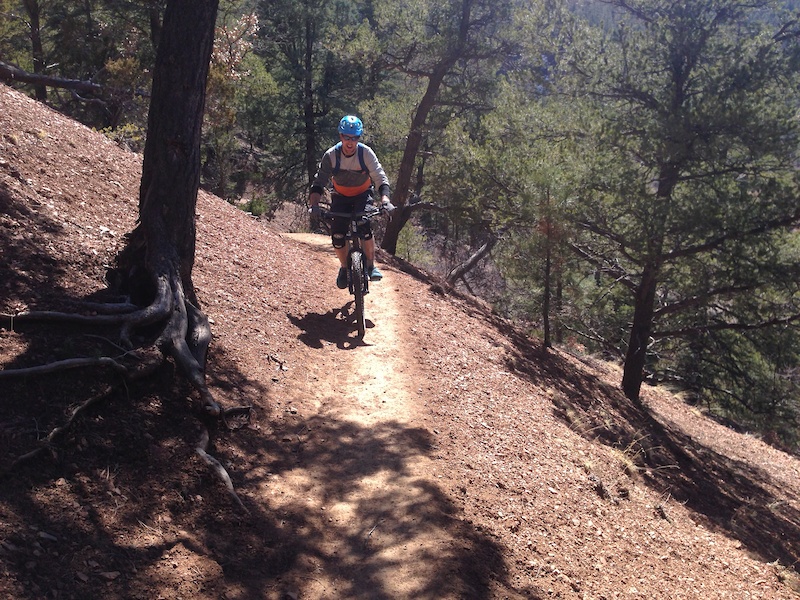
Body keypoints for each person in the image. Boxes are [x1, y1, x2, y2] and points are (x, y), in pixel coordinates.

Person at [308, 115, 395, 289]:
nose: (350, 142)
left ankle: (370, 266)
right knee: (338, 236)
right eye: (346, 137)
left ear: (359, 138)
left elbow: (379, 177)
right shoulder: (331, 156)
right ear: (340, 136)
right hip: (340, 197)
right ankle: (344, 268)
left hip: (362, 195)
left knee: (364, 226)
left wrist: (385, 201)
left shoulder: (366, 153)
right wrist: (315, 205)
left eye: (354, 137)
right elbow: (319, 183)